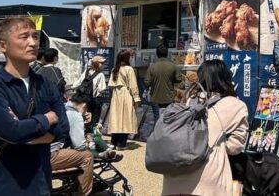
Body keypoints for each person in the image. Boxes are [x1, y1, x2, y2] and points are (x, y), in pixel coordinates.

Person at [0, 17, 69, 195]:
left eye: (35, 37)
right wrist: (46, 119)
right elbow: (12, 131)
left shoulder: (46, 84)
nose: (33, 42)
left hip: (42, 183)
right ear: (2, 46)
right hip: (6, 185)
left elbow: (63, 128)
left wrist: (23, 133)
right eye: (24, 37)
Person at [161, 59, 249, 196]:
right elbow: (234, 147)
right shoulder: (236, 105)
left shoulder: (188, 100)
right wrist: (216, 143)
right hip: (208, 179)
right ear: (226, 77)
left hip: (175, 175)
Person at [64, 92, 118, 160]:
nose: (86, 112)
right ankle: (101, 155)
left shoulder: (62, 108)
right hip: (63, 149)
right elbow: (79, 146)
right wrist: (86, 142)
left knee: (93, 134)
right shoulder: (76, 115)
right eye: (86, 109)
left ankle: (105, 152)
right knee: (86, 151)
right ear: (84, 106)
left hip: (54, 147)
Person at [107, 49, 140, 149]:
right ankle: (121, 143)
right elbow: (133, 85)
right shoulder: (129, 69)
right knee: (125, 118)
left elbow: (111, 85)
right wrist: (136, 98)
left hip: (116, 95)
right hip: (126, 94)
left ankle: (113, 141)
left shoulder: (114, 69)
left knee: (116, 118)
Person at [145, 42, 181, 127]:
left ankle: (157, 138)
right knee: (168, 120)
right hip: (169, 97)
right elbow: (179, 79)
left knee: (157, 120)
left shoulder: (152, 67)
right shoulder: (173, 66)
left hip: (155, 98)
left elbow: (147, 82)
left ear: (157, 54)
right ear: (167, 53)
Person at [73, 55, 108, 124]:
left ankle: (85, 132)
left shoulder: (87, 71)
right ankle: (92, 133)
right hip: (94, 100)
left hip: (84, 99)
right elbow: (102, 89)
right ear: (96, 64)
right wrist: (98, 96)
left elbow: (79, 82)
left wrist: (72, 88)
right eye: (101, 63)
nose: (103, 65)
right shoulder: (100, 75)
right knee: (94, 118)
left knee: (85, 116)